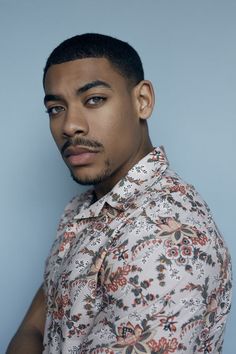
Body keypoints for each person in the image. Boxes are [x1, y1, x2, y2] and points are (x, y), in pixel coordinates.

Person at [7, 33, 232, 354]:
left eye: (94, 99)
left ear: (142, 101)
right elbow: (34, 325)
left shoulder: (164, 238)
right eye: (56, 108)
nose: (70, 125)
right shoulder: (81, 206)